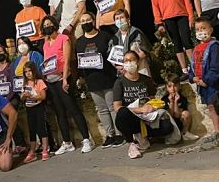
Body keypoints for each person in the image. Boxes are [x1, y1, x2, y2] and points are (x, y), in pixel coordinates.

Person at [41, 14, 95, 154]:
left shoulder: (63, 38)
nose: (47, 27)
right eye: (45, 26)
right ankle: (67, 142)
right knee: (59, 113)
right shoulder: (46, 43)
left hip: (62, 78)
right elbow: (47, 62)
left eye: (49, 24)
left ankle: (86, 139)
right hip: (51, 80)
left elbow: (66, 60)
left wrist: (65, 78)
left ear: (54, 25)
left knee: (73, 109)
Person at [113, 50, 175, 159]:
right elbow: (117, 107)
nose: (129, 63)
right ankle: (132, 143)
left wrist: (152, 106)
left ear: (138, 62)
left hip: (147, 116)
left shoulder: (145, 79)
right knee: (122, 113)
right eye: (126, 61)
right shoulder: (120, 82)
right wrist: (140, 109)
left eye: (132, 60)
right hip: (132, 117)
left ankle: (146, 137)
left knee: (168, 127)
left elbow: (152, 97)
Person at [75, 11, 123, 148]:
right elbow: (79, 62)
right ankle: (109, 135)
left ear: (93, 20)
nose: (85, 23)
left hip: (108, 77)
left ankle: (119, 134)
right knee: (102, 109)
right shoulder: (79, 42)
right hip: (92, 81)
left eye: (88, 20)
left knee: (112, 107)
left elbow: (113, 54)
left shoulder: (105, 36)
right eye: (82, 21)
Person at [150, 0, 195, 81]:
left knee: (187, 40)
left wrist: (191, 16)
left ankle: (194, 68)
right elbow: (155, 5)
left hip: (182, 15)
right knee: (177, 44)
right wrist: (159, 23)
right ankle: (184, 70)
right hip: (167, 18)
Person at [189, 17, 219, 148]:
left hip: (214, 84)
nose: (200, 32)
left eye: (203, 28)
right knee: (211, 107)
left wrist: (205, 80)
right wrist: (192, 78)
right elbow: (192, 66)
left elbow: (216, 67)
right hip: (202, 85)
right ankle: (218, 131)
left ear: (211, 30)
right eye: (198, 29)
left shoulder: (215, 46)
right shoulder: (196, 48)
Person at [0, 43, 27, 153]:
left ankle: (20, 143)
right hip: (0, 100)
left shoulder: (11, 66)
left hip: (11, 98)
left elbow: (13, 83)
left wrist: (7, 99)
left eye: (1, 51)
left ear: (5, 52)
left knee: (11, 116)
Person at [21, 61, 50, 162]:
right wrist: (24, 96)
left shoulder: (39, 82)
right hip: (29, 108)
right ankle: (32, 151)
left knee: (42, 128)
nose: (28, 73)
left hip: (38, 107)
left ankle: (45, 149)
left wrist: (33, 96)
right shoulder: (25, 83)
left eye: (30, 71)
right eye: (26, 72)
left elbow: (43, 96)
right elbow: (22, 97)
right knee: (32, 129)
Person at [110, 9, 152, 77]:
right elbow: (112, 57)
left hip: (140, 69)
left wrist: (131, 63)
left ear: (128, 19)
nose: (119, 20)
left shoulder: (136, 33)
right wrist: (117, 66)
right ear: (114, 22)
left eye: (122, 17)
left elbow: (145, 51)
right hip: (124, 73)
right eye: (117, 18)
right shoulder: (114, 38)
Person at [164, 73, 198, 141]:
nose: (173, 89)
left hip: (179, 123)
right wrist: (171, 102)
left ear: (179, 86)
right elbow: (169, 115)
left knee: (186, 113)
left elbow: (177, 115)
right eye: (170, 86)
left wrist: (176, 102)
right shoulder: (164, 99)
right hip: (169, 125)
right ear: (166, 88)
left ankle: (185, 133)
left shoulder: (182, 98)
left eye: (175, 86)